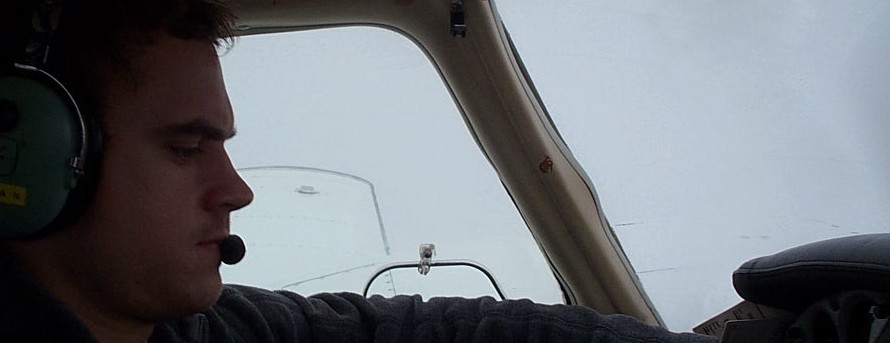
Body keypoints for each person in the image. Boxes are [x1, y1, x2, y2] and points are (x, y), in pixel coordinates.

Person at [0, 1, 718, 342]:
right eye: (187, 149)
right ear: (32, 157)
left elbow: (407, 331)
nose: (237, 190)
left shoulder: (196, 330)